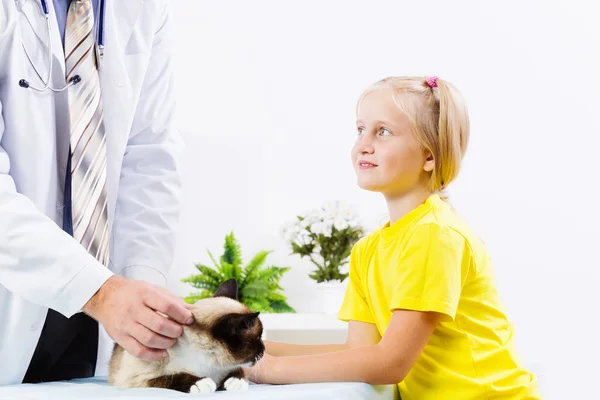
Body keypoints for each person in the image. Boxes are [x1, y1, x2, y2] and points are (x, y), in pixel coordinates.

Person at [245, 76, 542, 399]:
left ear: (430, 156)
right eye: (360, 130)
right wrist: (242, 349)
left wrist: (266, 370)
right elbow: (358, 351)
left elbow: (389, 363)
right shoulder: (367, 250)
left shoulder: (435, 235)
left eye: (383, 132)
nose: (364, 144)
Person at [0, 0, 193, 385]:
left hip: (103, 313)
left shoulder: (144, 10)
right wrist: (101, 292)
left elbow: (150, 160)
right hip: (14, 288)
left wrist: (143, 299)